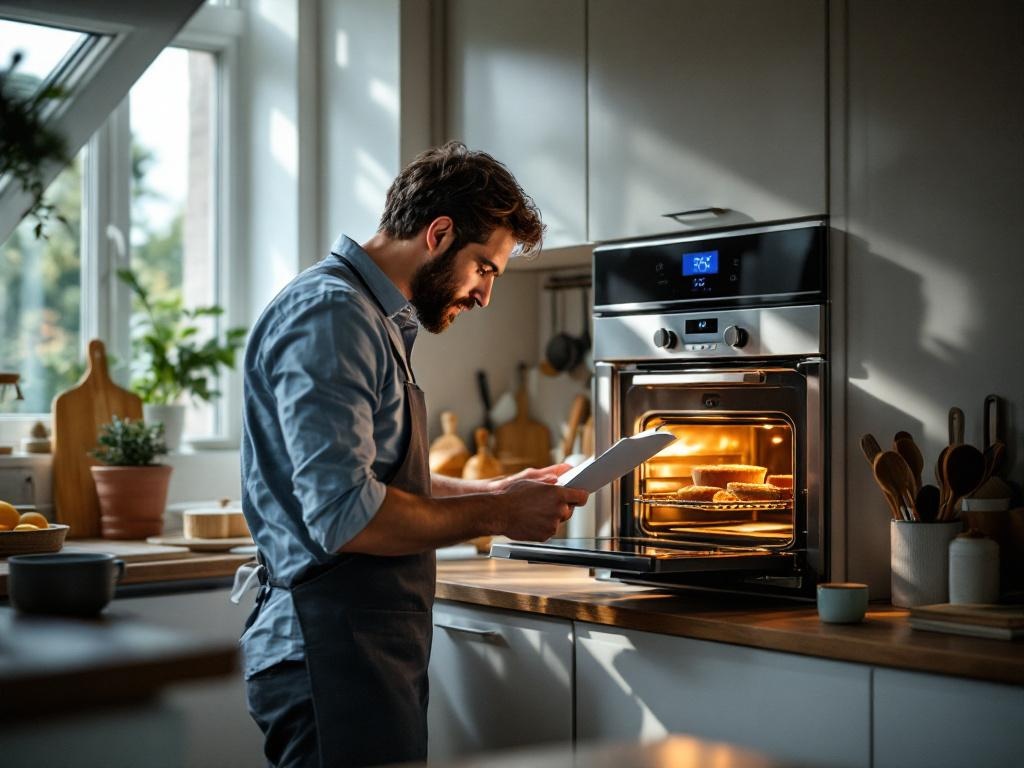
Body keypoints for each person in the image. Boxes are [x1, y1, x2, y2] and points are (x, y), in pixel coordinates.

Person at [239, 141, 589, 768]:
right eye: (484, 268)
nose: (484, 295)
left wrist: (497, 490)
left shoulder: (373, 317)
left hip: (360, 648)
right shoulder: (332, 314)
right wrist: (500, 515)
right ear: (440, 233)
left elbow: (381, 483)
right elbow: (347, 516)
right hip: (325, 653)